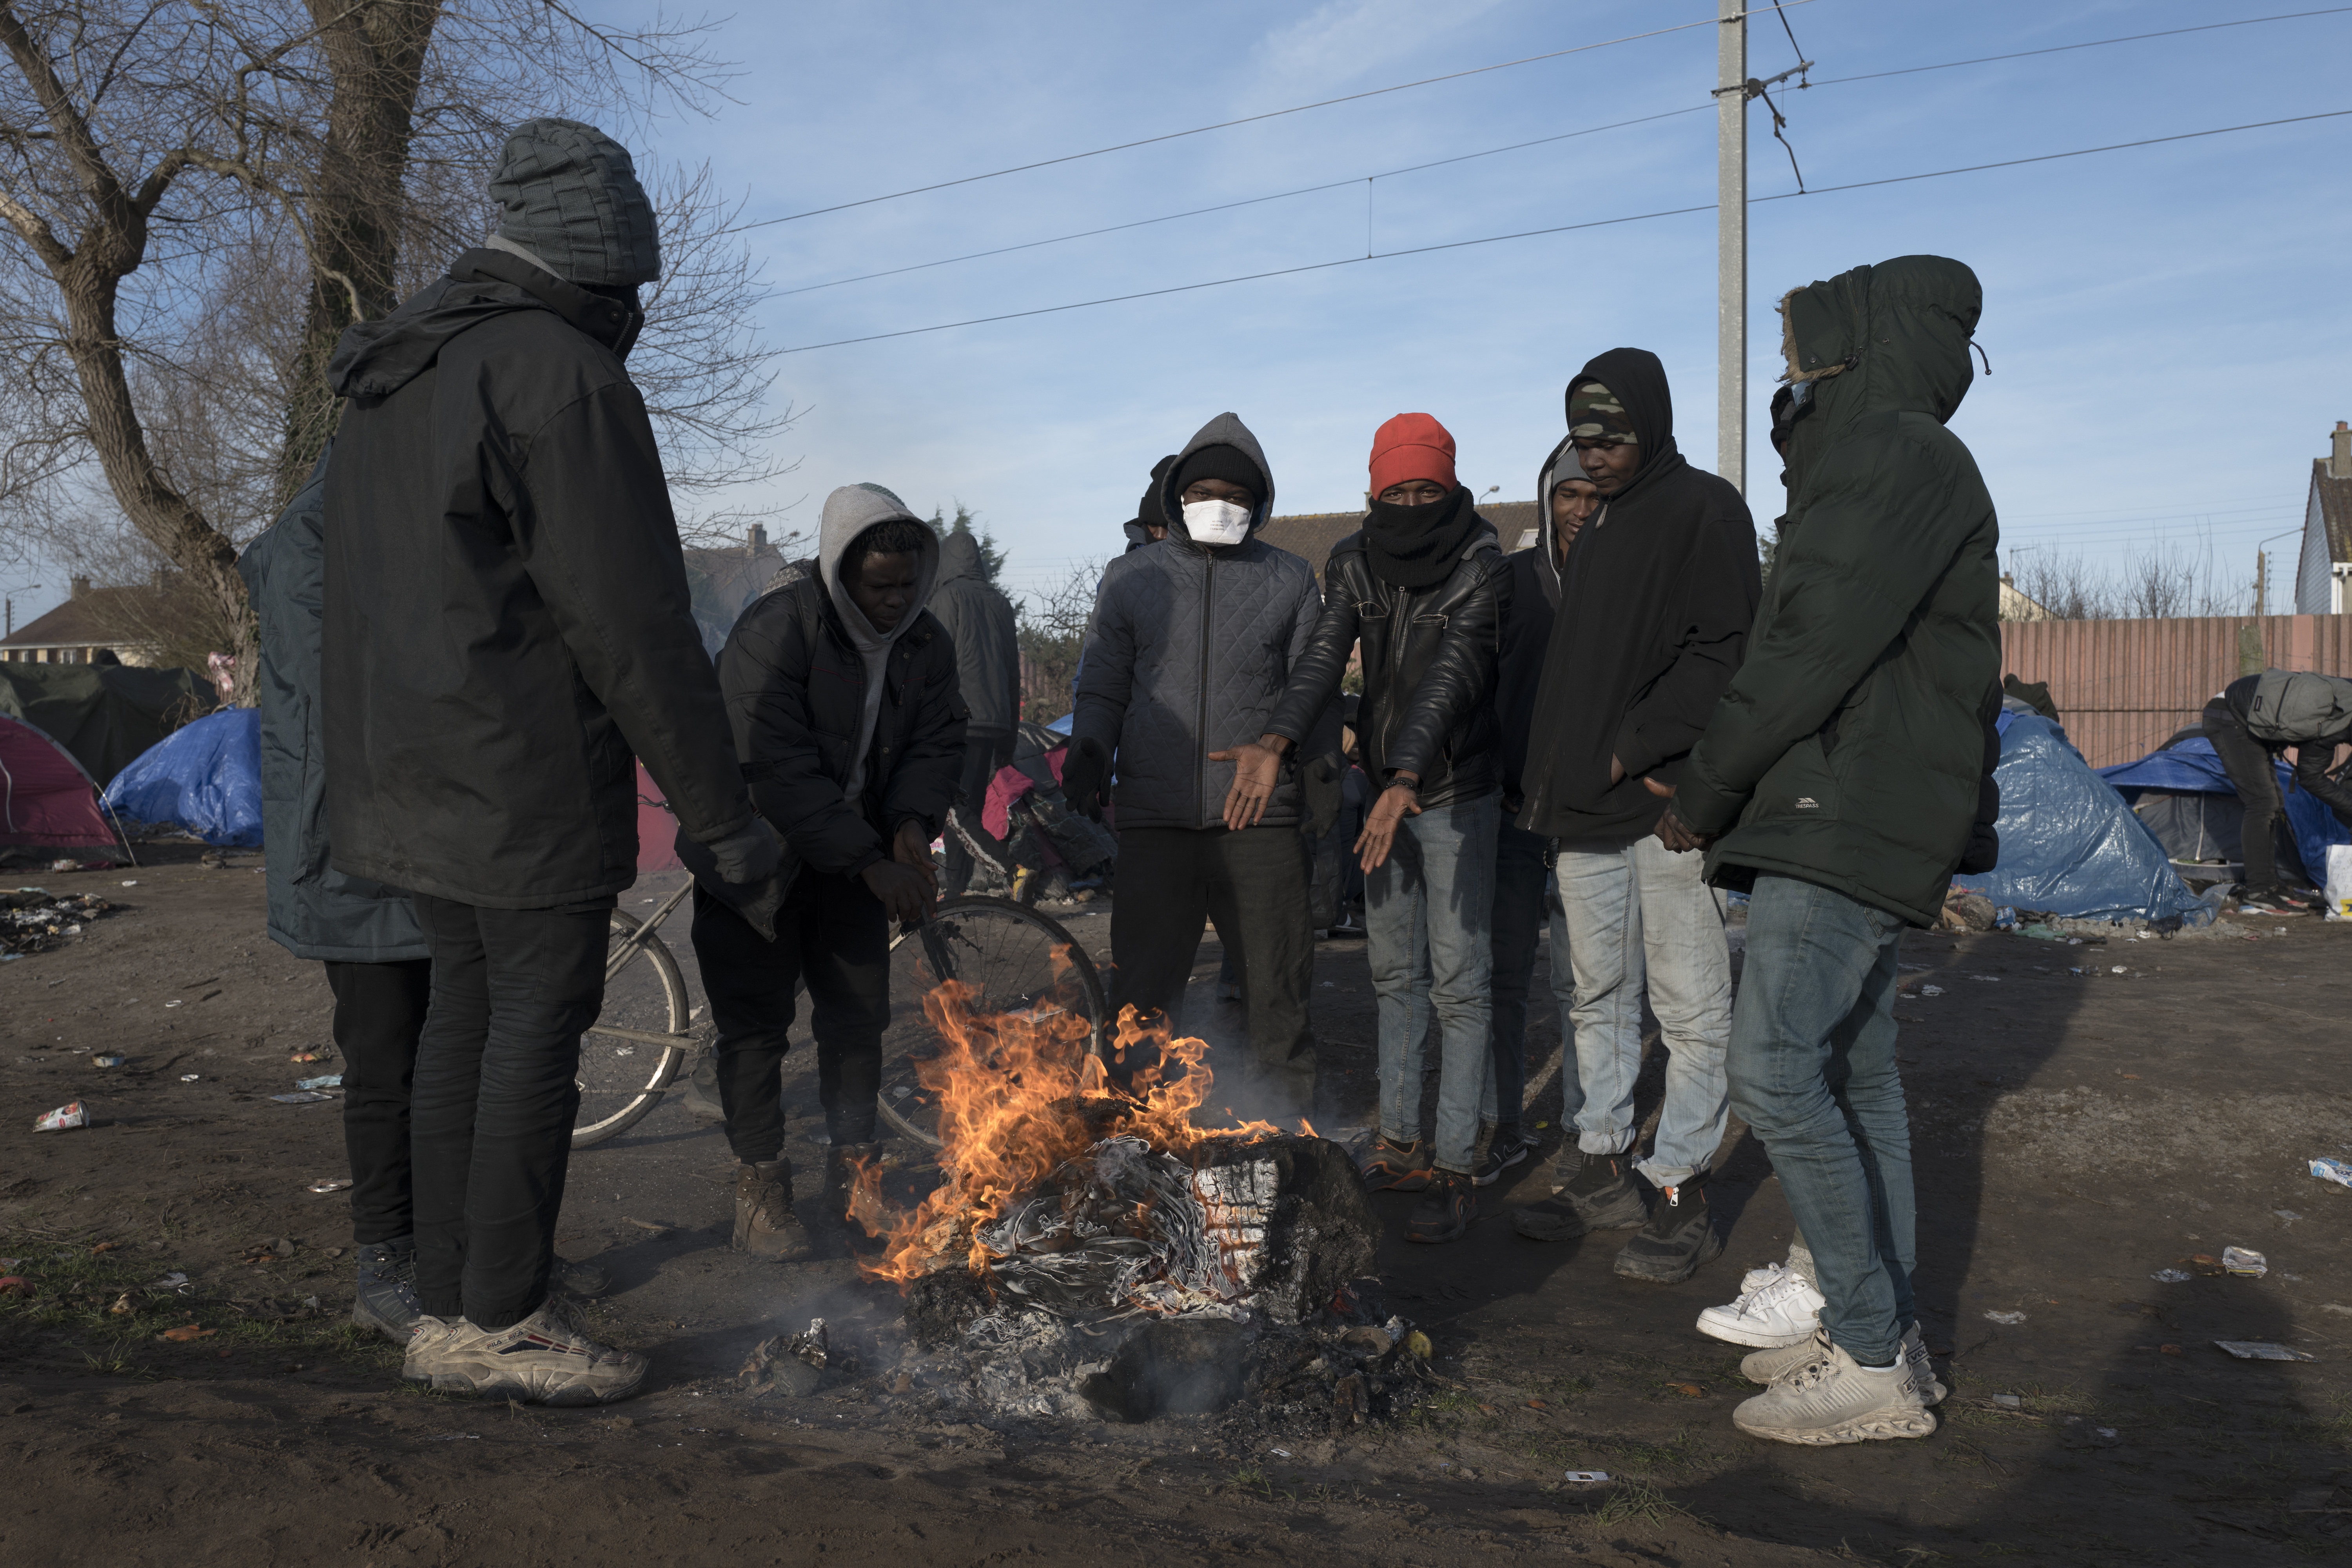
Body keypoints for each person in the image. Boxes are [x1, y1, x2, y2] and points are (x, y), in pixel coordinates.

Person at [322, 118, 777, 1406]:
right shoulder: (560, 376)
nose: (636, 308)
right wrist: (721, 816)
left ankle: (456, 1300)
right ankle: (502, 1320)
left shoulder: (399, 375)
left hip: (410, 777)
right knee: (530, 1036)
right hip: (518, 781)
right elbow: (633, 622)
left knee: (459, 1031)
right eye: (632, 281)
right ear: (601, 263)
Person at [1656, 254, 1999, 1445]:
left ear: (1859, 347)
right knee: (1856, 1077)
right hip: (1859, 801)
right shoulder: (1905, 457)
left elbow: (1810, 643)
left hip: (1839, 807)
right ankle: (1883, 1333)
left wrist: (1706, 786)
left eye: (1803, 355)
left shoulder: (1892, 454)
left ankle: (1867, 1354)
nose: (1791, 376)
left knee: (1770, 1071)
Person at [1218, 413, 1507, 1243]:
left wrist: (1407, 777)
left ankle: (1458, 1164)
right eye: (1396, 491)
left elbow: (1451, 679)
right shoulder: (1353, 560)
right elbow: (1321, 660)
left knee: (1460, 983)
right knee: (1393, 976)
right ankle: (1402, 1144)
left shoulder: (1483, 565)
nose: (1411, 504)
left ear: (1451, 488)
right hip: (1386, 789)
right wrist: (1276, 740)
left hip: (1453, 790)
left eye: (1426, 490)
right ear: (1373, 492)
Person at [1509, 350, 1760, 1285]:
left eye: (1610, 437)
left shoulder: (1704, 509)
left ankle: (1681, 1185)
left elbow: (1726, 651)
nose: (1594, 454)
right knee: (1596, 996)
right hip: (1585, 811)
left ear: (1650, 424)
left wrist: (1642, 747)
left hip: (1661, 806)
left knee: (1690, 1006)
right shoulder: (1601, 524)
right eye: (1582, 438)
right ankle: (1604, 1164)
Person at [687, 485, 965, 1260]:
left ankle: (854, 1181)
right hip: (756, 860)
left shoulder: (925, 642)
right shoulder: (777, 628)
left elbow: (939, 741)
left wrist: (909, 821)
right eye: (880, 586)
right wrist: (870, 860)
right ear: (840, 571)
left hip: (855, 861)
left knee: (856, 1021)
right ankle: (761, 1193)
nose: (896, 600)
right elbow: (773, 766)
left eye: (908, 583)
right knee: (755, 1030)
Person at [1066, 414, 1334, 1121]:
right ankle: (1133, 1139)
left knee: (1278, 992)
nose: (1219, 505)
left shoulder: (1291, 578)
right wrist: (1090, 747)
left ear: (1259, 503)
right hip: (1156, 819)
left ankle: (1287, 1137)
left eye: (1236, 496)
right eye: (1204, 492)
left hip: (1259, 820)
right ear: (1178, 498)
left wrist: (1314, 766)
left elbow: (1312, 684)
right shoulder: (1131, 578)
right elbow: (1103, 683)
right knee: (1142, 1002)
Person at [240, 450, 435, 1342]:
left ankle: (458, 1252)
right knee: (387, 1062)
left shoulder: (365, 516)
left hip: (400, 841)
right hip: (356, 848)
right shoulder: (329, 535)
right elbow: (369, 690)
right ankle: (385, 1265)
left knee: (441, 1056)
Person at [1481, 456, 1601, 1189]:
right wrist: (1492, 773)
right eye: (1568, 494)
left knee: (1588, 984)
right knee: (1503, 976)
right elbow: (1478, 683)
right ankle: (1502, 1123)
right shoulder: (1510, 581)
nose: (1581, 509)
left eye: (1595, 495)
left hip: (1594, 813)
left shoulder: (1625, 582)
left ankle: (1590, 1130)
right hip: (1512, 806)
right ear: (1547, 498)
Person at [2201, 669, 2352, 910]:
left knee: (2273, 803)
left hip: (2249, 716)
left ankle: (2270, 885)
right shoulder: (2332, 722)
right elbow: (2310, 778)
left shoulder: (2345, 697)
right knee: (2262, 803)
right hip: (2230, 717)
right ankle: (2258, 891)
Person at [929, 522, 1020, 898]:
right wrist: (1009, 739)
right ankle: (956, 894)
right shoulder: (1000, 603)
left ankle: (1011, 868)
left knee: (953, 810)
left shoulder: (945, 599)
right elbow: (1013, 674)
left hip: (956, 722)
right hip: (992, 723)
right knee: (969, 809)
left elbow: (934, 668)